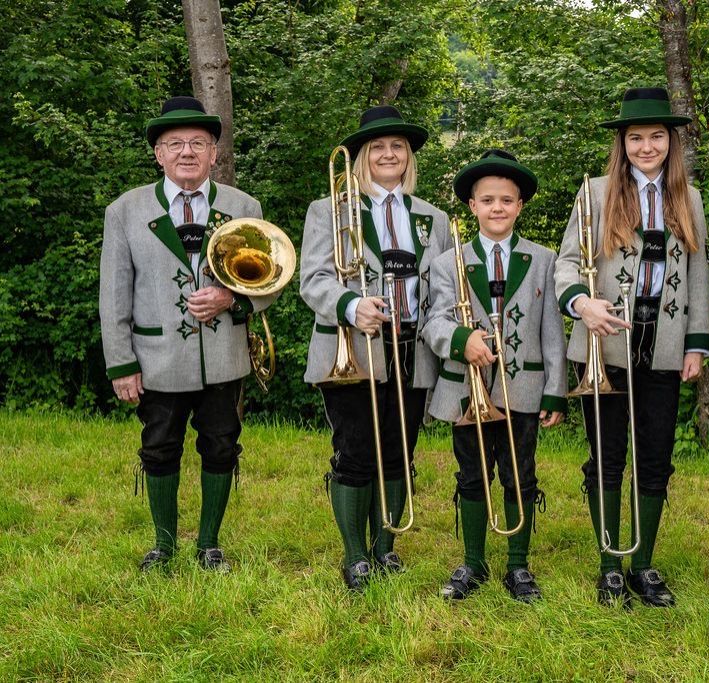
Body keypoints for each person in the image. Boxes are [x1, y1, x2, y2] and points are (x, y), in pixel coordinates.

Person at [100, 96, 278, 572]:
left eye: (198, 143)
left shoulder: (244, 206)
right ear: (157, 154)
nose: (186, 152)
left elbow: (271, 280)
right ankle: (163, 546)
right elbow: (114, 294)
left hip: (224, 353)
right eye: (174, 143)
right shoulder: (125, 210)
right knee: (159, 447)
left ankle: (209, 544)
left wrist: (232, 300)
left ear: (213, 153)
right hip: (157, 358)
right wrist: (121, 363)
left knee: (222, 444)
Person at [554, 88, 709, 608]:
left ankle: (642, 566)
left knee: (654, 457)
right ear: (622, 144)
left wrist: (696, 344)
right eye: (636, 137)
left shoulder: (688, 198)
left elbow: (698, 275)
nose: (647, 146)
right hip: (607, 344)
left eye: (657, 137)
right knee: (607, 457)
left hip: (663, 344)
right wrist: (583, 304)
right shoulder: (595, 192)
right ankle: (609, 566)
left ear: (672, 142)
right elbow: (565, 262)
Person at [300, 105, 452, 592]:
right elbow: (313, 280)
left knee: (399, 451)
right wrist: (349, 304)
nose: (390, 154)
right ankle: (355, 555)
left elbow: (445, 288)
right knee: (356, 452)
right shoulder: (329, 209)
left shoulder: (435, 218)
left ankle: (386, 548)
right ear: (363, 158)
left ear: (409, 158)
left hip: (414, 347)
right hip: (356, 345)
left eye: (399, 147)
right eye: (379, 148)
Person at [421, 150, 567, 603]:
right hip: (470, 390)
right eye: (488, 200)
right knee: (471, 475)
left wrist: (556, 391)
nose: (497, 208)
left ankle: (518, 566)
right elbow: (434, 321)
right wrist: (462, 337)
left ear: (520, 205)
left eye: (506, 200)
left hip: (524, 388)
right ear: (472, 207)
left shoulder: (543, 258)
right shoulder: (450, 262)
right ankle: (473, 562)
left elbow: (552, 331)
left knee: (520, 474)